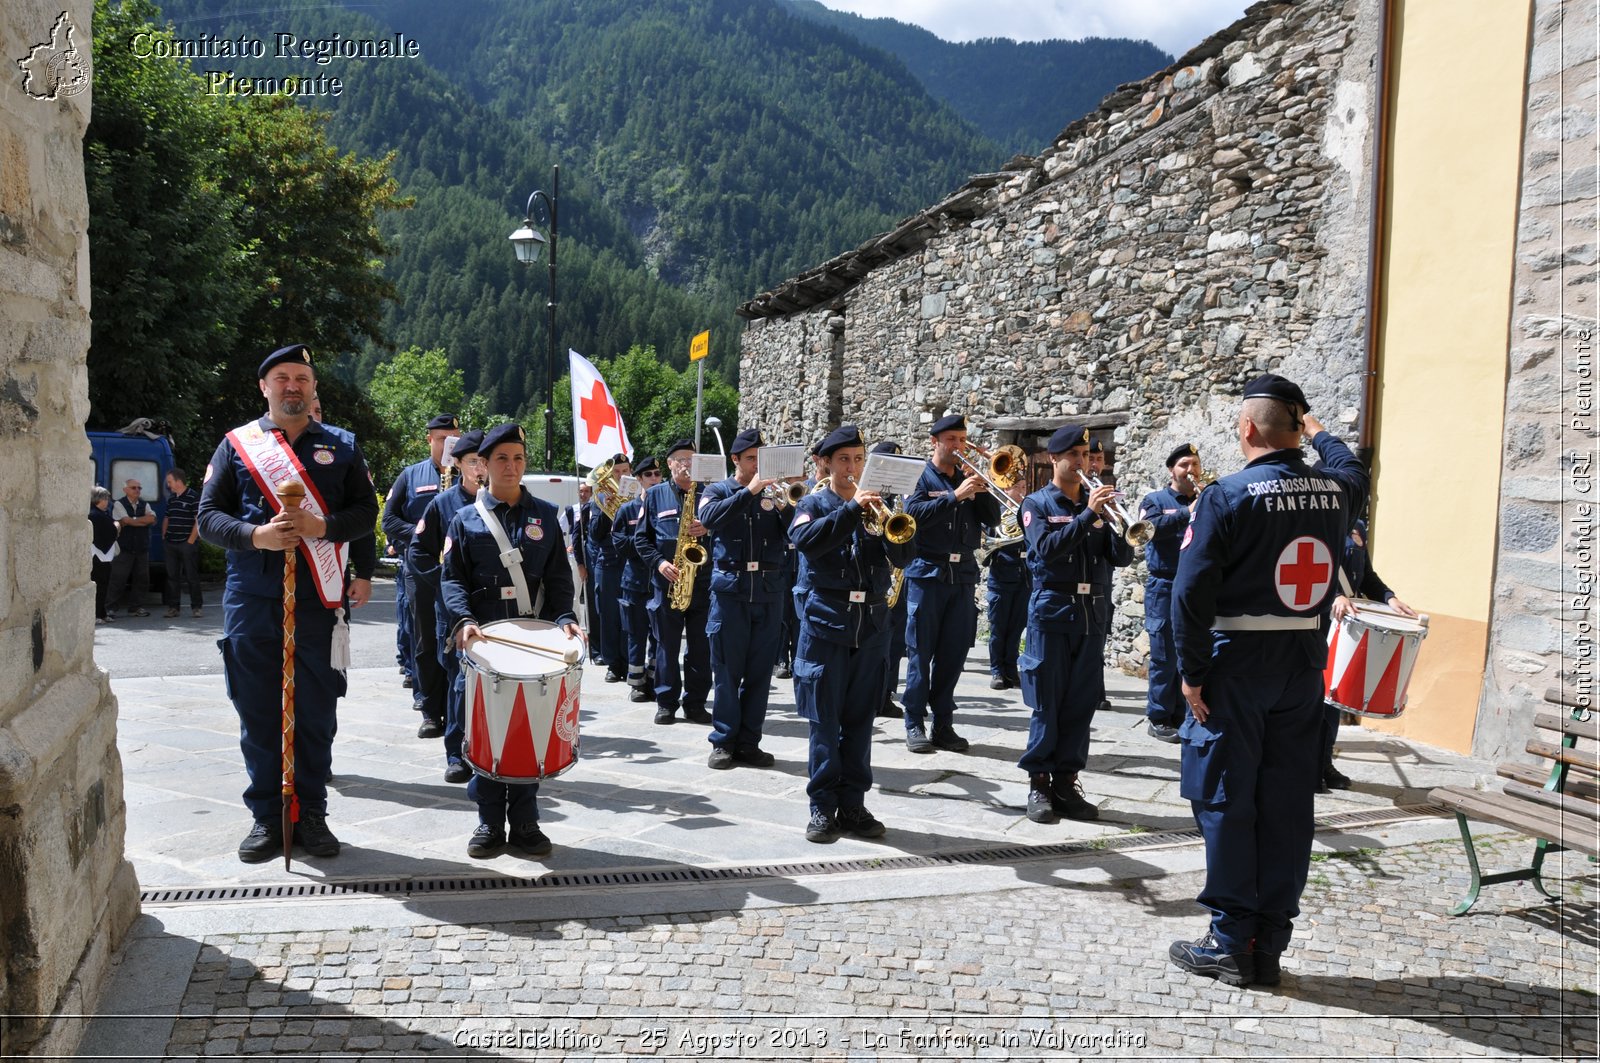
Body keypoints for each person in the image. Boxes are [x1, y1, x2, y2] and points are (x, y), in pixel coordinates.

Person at [1167, 373, 1368, 988]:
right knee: (1285, 803)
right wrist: (1316, 427)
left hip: (1237, 668)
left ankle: (1229, 941)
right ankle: (1268, 944)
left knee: (1226, 798)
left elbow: (1190, 594)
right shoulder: (1336, 492)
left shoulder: (1226, 495)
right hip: (1302, 667)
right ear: (1295, 427)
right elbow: (1349, 467)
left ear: (1248, 427)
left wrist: (1193, 675)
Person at [198, 343, 378, 863]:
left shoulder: (342, 447)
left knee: (316, 711)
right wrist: (256, 535)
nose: (293, 386)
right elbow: (208, 516)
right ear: (265, 387)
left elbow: (366, 511)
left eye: (302, 377)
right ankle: (265, 816)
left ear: (313, 387)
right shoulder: (237, 445)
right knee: (257, 710)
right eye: (283, 377)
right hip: (252, 601)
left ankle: (313, 811)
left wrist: (323, 527)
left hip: (319, 603)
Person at [440, 423, 582, 859]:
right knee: (486, 730)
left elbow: (560, 576)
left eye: (519, 458)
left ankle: (525, 822)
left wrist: (565, 618)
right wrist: (463, 621)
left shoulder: (544, 516)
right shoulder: (464, 520)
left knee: (528, 728)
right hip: (483, 641)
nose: (512, 466)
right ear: (482, 466)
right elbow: (451, 580)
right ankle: (488, 822)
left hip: (532, 640)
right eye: (502, 458)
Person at [790, 425, 915, 842]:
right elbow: (806, 541)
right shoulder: (813, 503)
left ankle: (854, 804)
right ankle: (822, 807)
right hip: (826, 624)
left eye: (859, 459)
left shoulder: (877, 509)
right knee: (824, 721)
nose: (853, 467)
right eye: (844, 459)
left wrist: (894, 525)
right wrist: (850, 512)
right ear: (825, 463)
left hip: (872, 626)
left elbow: (903, 556)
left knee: (861, 722)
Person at [1016, 425, 1134, 824]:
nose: (1083, 463)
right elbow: (1045, 550)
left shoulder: (1096, 505)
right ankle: (1039, 784)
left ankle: (1067, 782)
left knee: (1081, 704)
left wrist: (1120, 526)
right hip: (1052, 614)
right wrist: (1088, 515)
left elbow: (1120, 559)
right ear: (1054, 459)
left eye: (1086, 455)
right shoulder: (1037, 503)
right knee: (1048, 703)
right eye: (1075, 456)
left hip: (1091, 614)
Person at [901, 414, 1000, 753]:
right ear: (935, 442)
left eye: (962, 439)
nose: (958, 446)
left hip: (963, 577)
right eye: (952, 440)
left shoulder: (968, 477)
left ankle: (943, 723)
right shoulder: (919, 476)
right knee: (920, 653)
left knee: (953, 654)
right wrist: (954, 496)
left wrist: (982, 488)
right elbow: (911, 515)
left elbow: (993, 519)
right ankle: (914, 720)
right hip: (927, 574)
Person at [699, 428, 789, 769]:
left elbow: (795, 532)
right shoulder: (717, 490)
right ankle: (723, 742)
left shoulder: (775, 492)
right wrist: (749, 491)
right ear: (736, 460)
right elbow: (709, 519)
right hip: (730, 592)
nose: (757, 465)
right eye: (751, 459)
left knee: (759, 674)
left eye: (760, 459)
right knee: (726, 671)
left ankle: (750, 742)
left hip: (768, 591)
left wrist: (788, 503)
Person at [407, 428, 485, 784]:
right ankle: (456, 753)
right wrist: (444, 581)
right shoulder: (442, 504)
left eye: (486, 460)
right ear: (459, 464)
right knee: (458, 681)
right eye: (473, 462)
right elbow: (418, 551)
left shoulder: (507, 501)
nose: (481, 468)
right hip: (455, 612)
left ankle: (491, 749)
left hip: (493, 608)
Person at [1322, 518, 1417, 791]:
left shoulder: (1357, 525)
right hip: (1317, 622)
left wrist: (1389, 597)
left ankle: (1323, 763)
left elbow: (1366, 575)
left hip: (1345, 623)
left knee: (1332, 700)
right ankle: (1304, 765)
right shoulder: (1317, 517)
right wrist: (1335, 594)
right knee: (1314, 699)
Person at [383, 413, 460, 740]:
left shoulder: (470, 476)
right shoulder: (411, 476)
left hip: (459, 572)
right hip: (422, 570)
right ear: (429, 439)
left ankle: (460, 709)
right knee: (425, 639)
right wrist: (420, 534)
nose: (448, 445)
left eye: (454, 438)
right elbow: (389, 519)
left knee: (459, 640)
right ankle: (430, 709)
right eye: (442, 438)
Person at [634, 440, 713, 725]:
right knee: (666, 646)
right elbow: (640, 539)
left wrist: (708, 526)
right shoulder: (654, 495)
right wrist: (660, 562)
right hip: (667, 583)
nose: (686, 464)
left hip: (701, 583)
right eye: (681, 459)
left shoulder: (708, 493)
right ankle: (666, 702)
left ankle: (695, 703)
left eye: (692, 459)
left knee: (700, 647)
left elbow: (724, 533)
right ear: (669, 464)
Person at [1139, 444, 1204, 743]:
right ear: (1171, 470)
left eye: (1195, 464)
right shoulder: (1155, 500)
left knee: (1192, 651)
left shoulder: (1207, 498)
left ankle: (1184, 714)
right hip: (1164, 585)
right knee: (1165, 655)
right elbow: (1148, 529)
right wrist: (1186, 513)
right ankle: (1159, 717)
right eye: (1184, 465)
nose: (1190, 470)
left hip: (1196, 586)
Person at [611, 456, 662, 702]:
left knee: (659, 635)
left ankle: (654, 678)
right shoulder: (627, 509)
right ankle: (637, 682)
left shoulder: (666, 506)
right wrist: (648, 545)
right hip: (634, 582)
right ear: (639, 480)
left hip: (660, 582)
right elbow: (619, 543)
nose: (654, 478)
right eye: (648, 475)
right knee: (635, 634)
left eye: (657, 474)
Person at [871, 440, 910, 718]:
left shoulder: (901, 497)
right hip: (871, 580)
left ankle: (886, 694)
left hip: (898, 579)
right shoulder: (867, 495)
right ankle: (869, 695)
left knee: (894, 642)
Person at [587, 454, 633, 684]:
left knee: (631, 615)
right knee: (608, 615)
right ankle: (613, 664)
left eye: (625, 470)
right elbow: (594, 534)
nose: (622, 475)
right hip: (608, 561)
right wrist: (606, 509)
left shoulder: (638, 497)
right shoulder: (601, 497)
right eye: (617, 472)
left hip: (631, 561)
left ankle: (631, 661)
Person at [984, 477, 1030, 690]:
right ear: (1006, 488)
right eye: (1017, 488)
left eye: (1023, 487)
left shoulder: (1029, 512)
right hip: (1001, 574)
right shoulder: (996, 512)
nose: (1022, 491)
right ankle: (997, 670)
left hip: (1024, 576)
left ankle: (1011, 669)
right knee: (999, 627)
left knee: (1016, 626)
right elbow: (986, 538)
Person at [106, 478, 156, 618]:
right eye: (134, 488)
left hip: (141, 547)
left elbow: (152, 519)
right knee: (118, 579)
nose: (137, 490)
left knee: (142, 579)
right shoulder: (118, 504)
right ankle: (110, 607)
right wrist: (140, 521)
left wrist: (132, 521)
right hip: (125, 548)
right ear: (125, 490)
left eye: (139, 488)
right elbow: (125, 521)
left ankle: (136, 607)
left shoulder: (145, 504)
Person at [161, 468, 204, 618]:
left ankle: (196, 607)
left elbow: (198, 520)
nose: (169, 485)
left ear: (179, 481)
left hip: (186, 544)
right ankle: (174, 608)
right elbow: (167, 517)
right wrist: (164, 535)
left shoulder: (193, 496)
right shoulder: (172, 498)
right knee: (172, 577)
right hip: (171, 543)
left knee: (191, 576)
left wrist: (190, 541)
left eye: (170, 482)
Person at [90, 486, 118, 624]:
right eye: (104, 498)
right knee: (98, 585)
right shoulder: (94, 514)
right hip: (97, 555)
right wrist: (116, 528)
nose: (107, 501)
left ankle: (102, 612)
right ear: (97, 499)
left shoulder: (104, 513)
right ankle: (95, 614)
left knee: (104, 585)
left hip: (105, 555)